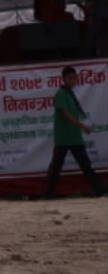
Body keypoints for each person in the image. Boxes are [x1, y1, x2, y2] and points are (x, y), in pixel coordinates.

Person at [43, 66, 106, 198]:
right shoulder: (61, 94)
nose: (72, 80)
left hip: (74, 137)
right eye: (69, 78)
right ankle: (48, 194)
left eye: (74, 78)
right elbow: (65, 113)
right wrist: (81, 125)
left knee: (86, 166)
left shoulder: (70, 94)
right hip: (63, 138)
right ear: (64, 79)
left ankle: (100, 190)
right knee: (56, 168)